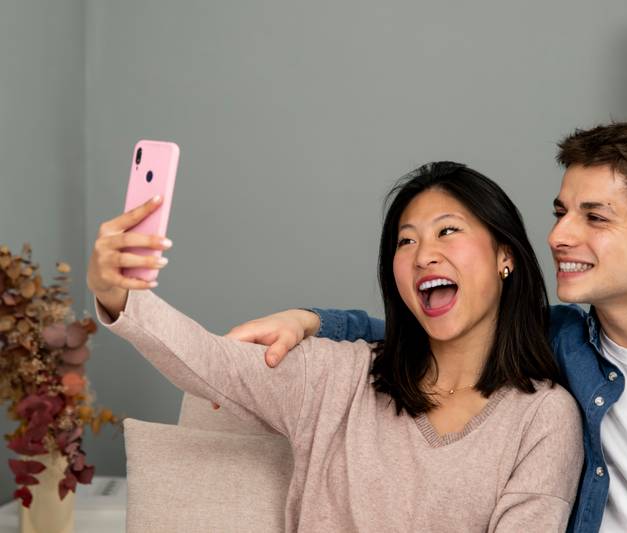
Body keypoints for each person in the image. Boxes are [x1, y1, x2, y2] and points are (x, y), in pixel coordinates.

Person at [229, 122, 627, 532]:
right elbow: (420, 330)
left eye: (593, 217)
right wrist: (310, 320)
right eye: (560, 212)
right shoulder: (558, 339)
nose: (558, 237)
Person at [88, 162, 583, 532]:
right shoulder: (338, 377)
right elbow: (210, 362)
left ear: (505, 257)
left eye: (448, 231)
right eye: (405, 242)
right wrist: (120, 293)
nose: (423, 254)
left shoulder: (544, 418)